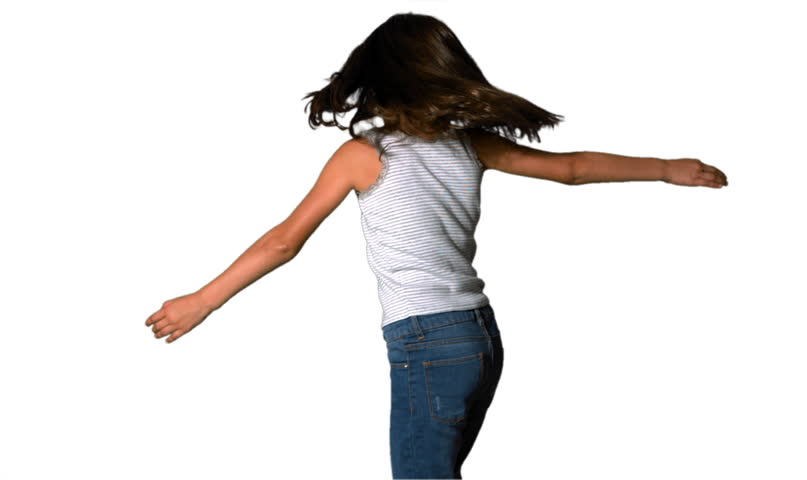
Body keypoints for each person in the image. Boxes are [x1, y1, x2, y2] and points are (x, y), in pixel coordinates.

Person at [144, 12, 728, 479]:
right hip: (479, 338)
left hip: (428, 343)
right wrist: (667, 167)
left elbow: (283, 242)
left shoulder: (366, 154)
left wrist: (202, 300)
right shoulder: (468, 143)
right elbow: (569, 168)